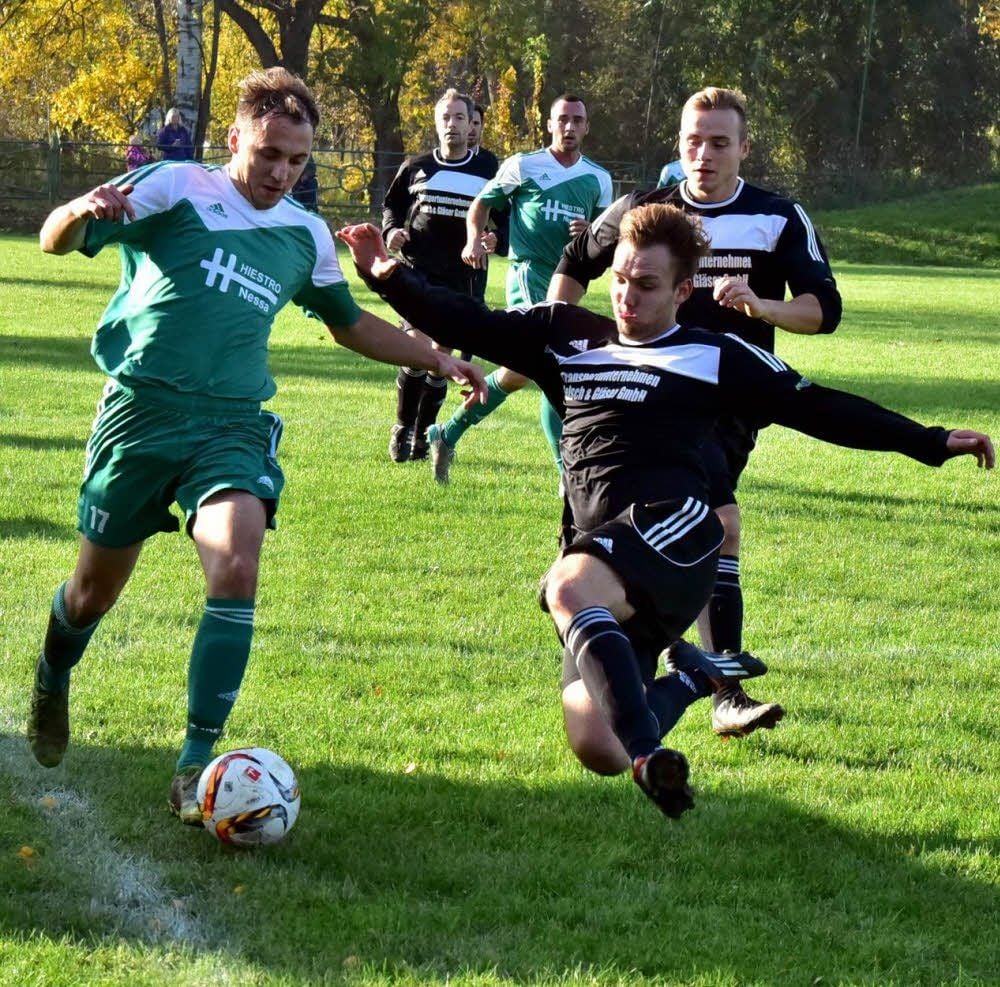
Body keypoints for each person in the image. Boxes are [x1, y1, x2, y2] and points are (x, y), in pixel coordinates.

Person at [336, 205, 993, 819]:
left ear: (683, 292)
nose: (626, 294)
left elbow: (821, 407)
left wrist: (931, 441)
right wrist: (385, 272)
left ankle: (653, 757)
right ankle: (691, 677)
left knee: (569, 586)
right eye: (620, 278)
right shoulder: (564, 336)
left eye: (646, 284)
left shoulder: (716, 355)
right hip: (606, 553)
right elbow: (465, 320)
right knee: (598, 745)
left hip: (677, 533)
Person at [29, 67, 486, 827]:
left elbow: (347, 321)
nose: (281, 172)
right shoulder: (175, 186)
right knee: (91, 593)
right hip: (140, 414)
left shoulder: (303, 235)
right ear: (235, 138)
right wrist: (80, 208)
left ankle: (192, 762)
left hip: (232, 422)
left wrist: (432, 355)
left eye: (297, 160)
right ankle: (53, 671)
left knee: (237, 560)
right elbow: (54, 240)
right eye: (269, 153)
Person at [548, 86, 843, 738]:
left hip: (729, 406)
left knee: (714, 526)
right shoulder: (644, 210)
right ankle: (698, 681)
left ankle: (664, 665)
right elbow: (574, 262)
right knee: (715, 524)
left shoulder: (777, 216)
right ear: (678, 145)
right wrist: (559, 337)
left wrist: (763, 309)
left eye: (718, 142)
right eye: (692, 141)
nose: (703, 155)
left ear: (743, 147)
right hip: (641, 405)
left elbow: (824, 309)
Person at [425, 94, 614, 482]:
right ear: (549, 124)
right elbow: (481, 204)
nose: (569, 127)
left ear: (587, 127)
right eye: (562, 119)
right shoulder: (524, 165)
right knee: (554, 363)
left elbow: (606, 238)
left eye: (577, 120)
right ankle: (567, 474)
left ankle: (447, 432)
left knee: (518, 372)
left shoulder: (599, 179)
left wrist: (590, 234)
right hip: (528, 273)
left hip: (571, 280)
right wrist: (472, 239)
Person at [381, 89, 498, 466]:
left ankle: (424, 432)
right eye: (445, 118)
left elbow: (503, 214)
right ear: (437, 123)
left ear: (471, 124)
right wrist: (391, 233)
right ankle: (402, 427)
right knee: (417, 353)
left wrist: (496, 238)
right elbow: (392, 208)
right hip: (416, 273)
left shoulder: (486, 171)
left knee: (439, 360)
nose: (452, 125)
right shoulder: (417, 166)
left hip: (459, 278)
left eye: (459, 118)